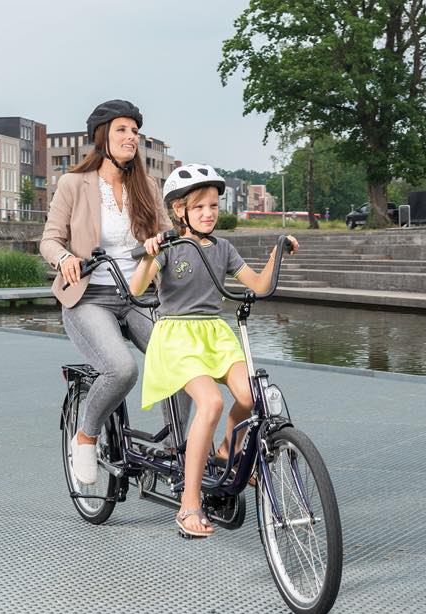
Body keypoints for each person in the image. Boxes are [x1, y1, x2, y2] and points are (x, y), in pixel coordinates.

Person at [129, 164, 299, 538]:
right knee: (211, 403)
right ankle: (189, 502)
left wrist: (277, 251)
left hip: (215, 335)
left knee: (250, 396)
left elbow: (257, 283)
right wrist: (148, 253)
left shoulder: (223, 249)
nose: (209, 213)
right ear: (180, 211)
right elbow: (137, 287)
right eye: (200, 206)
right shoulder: (170, 246)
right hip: (177, 337)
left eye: (213, 205)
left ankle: (226, 448)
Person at [40, 99, 190, 485]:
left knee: (182, 364)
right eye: (122, 130)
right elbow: (50, 240)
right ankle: (86, 436)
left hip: (138, 295)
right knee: (121, 369)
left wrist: (172, 244)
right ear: (102, 136)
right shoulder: (74, 183)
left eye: (135, 131)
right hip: (89, 297)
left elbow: (165, 236)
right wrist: (64, 259)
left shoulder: (147, 185)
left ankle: (176, 452)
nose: (131, 137)